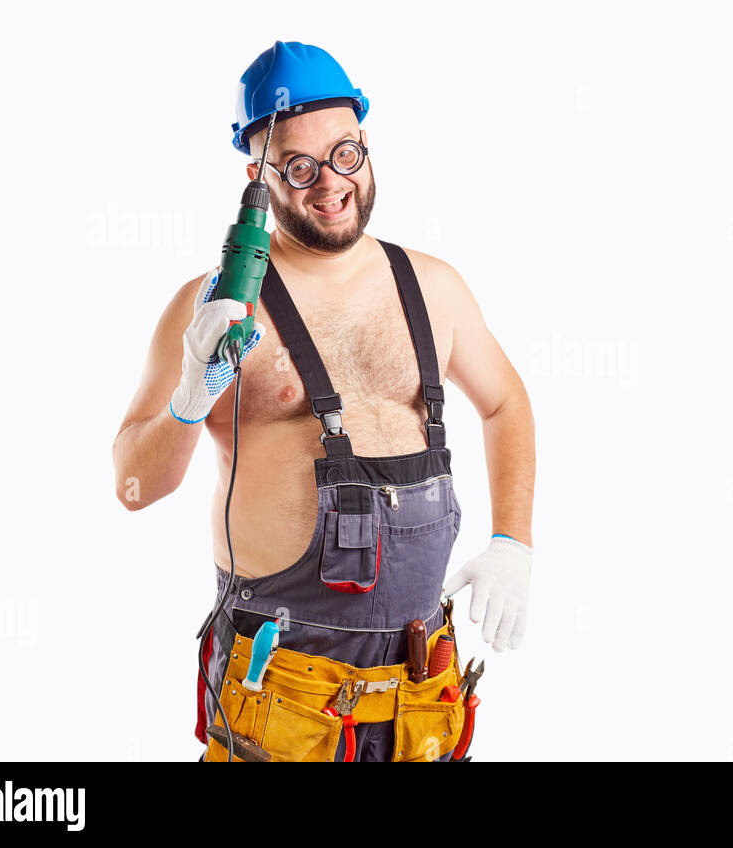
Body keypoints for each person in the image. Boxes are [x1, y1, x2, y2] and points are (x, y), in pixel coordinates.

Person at [111, 41, 536, 761]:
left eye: (345, 154)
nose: (330, 183)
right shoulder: (216, 306)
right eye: (300, 167)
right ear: (260, 177)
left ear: (366, 144)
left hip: (418, 693)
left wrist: (512, 543)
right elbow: (134, 485)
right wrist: (189, 398)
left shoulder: (433, 285)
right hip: (280, 689)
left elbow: (506, 404)